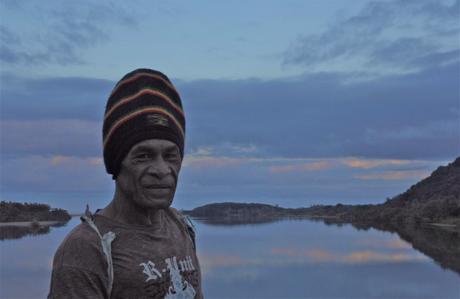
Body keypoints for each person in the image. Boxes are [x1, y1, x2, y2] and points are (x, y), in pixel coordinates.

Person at [48, 69, 203, 299]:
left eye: (170, 155)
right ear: (116, 164)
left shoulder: (181, 228)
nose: (161, 170)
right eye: (143, 156)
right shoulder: (87, 250)